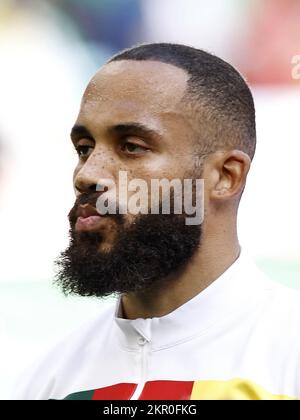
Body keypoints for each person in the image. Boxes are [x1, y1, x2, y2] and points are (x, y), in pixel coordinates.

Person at [15, 43, 300, 400]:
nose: (88, 174)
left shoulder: (289, 352)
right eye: (85, 148)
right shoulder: (45, 383)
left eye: (132, 146)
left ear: (226, 176)